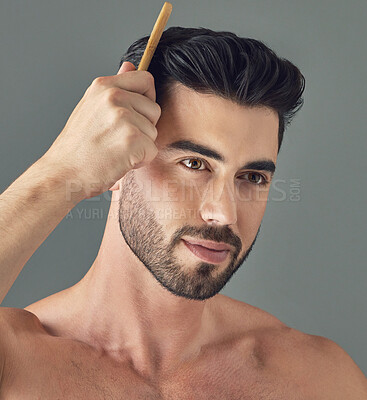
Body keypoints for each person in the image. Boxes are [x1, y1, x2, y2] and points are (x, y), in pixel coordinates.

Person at [0, 27, 366, 398]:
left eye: (252, 176)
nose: (223, 214)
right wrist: (62, 170)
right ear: (117, 164)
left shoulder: (317, 379)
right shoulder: (17, 364)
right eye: (194, 164)